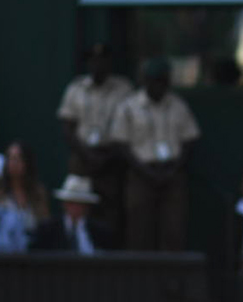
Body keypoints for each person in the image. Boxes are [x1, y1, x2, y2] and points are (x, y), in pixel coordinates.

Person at [109, 57, 200, 251]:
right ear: (145, 81)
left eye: (162, 80)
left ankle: (172, 279)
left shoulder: (177, 106)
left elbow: (190, 139)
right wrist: (144, 171)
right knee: (139, 230)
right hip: (140, 173)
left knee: (174, 230)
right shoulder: (129, 106)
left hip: (172, 173)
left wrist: (173, 169)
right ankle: (140, 279)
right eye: (154, 80)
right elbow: (120, 144)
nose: (158, 85)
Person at [58, 42, 133, 237]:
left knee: (111, 208)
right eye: (94, 61)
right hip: (82, 156)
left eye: (102, 61)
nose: (98, 65)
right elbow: (67, 127)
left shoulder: (123, 89)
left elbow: (129, 127)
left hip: (111, 157)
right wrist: (86, 154)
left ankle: (107, 254)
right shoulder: (76, 88)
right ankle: (76, 247)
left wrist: (106, 156)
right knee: (77, 204)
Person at [32, 174, 115, 253]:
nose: (75, 207)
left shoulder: (100, 232)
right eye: (71, 202)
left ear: (86, 206)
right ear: (64, 204)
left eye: (80, 203)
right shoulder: (47, 230)